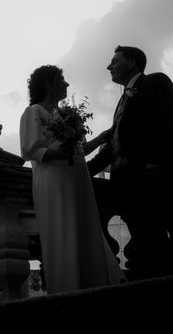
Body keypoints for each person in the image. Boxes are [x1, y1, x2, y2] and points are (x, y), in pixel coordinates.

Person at [19, 65, 126, 294]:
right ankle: (68, 284)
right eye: (62, 79)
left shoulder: (68, 115)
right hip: (54, 180)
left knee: (83, 224)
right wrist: (59, 154)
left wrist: (101, 138)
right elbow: (30, 149)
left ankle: (90, 280)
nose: (67, 84)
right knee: (63, 225)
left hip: (77, 178)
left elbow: (81, 150)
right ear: (48, 83)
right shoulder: (34, 112)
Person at [87, 46, 173, 278]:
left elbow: (164, 121)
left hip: (150, 180)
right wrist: (84, 172)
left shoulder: (156, 82)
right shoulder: (123, 99)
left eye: (114, 61)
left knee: (157, 244)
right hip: (126, 186)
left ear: (132, 63)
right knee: (144, 242)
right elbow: (114, 144)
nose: (108, 66)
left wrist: (155, 162)